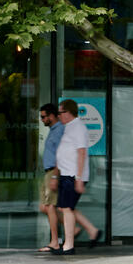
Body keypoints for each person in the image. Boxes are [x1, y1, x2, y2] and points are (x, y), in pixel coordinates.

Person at [54, 99, 100, 255]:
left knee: (66, 209)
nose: (59, 116)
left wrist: (79, 178)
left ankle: (69, 245)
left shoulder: (78, 127)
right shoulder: (69, 127)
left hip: (73, 175)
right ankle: (91, 230)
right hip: (67, 173)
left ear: (68, 112)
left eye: (60, 112)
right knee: (64, 208)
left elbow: (81, 152)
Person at [37, 103, 66, 252]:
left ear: (52, 116)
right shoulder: (53, 130)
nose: (42, 120)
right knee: (44, 206)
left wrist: (55, 175)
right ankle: (71, 229)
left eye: (43, 116)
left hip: (53, 172)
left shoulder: (59, 130)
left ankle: (55, 241)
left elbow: (62, 155)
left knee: (50, 207)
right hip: (49, 172)